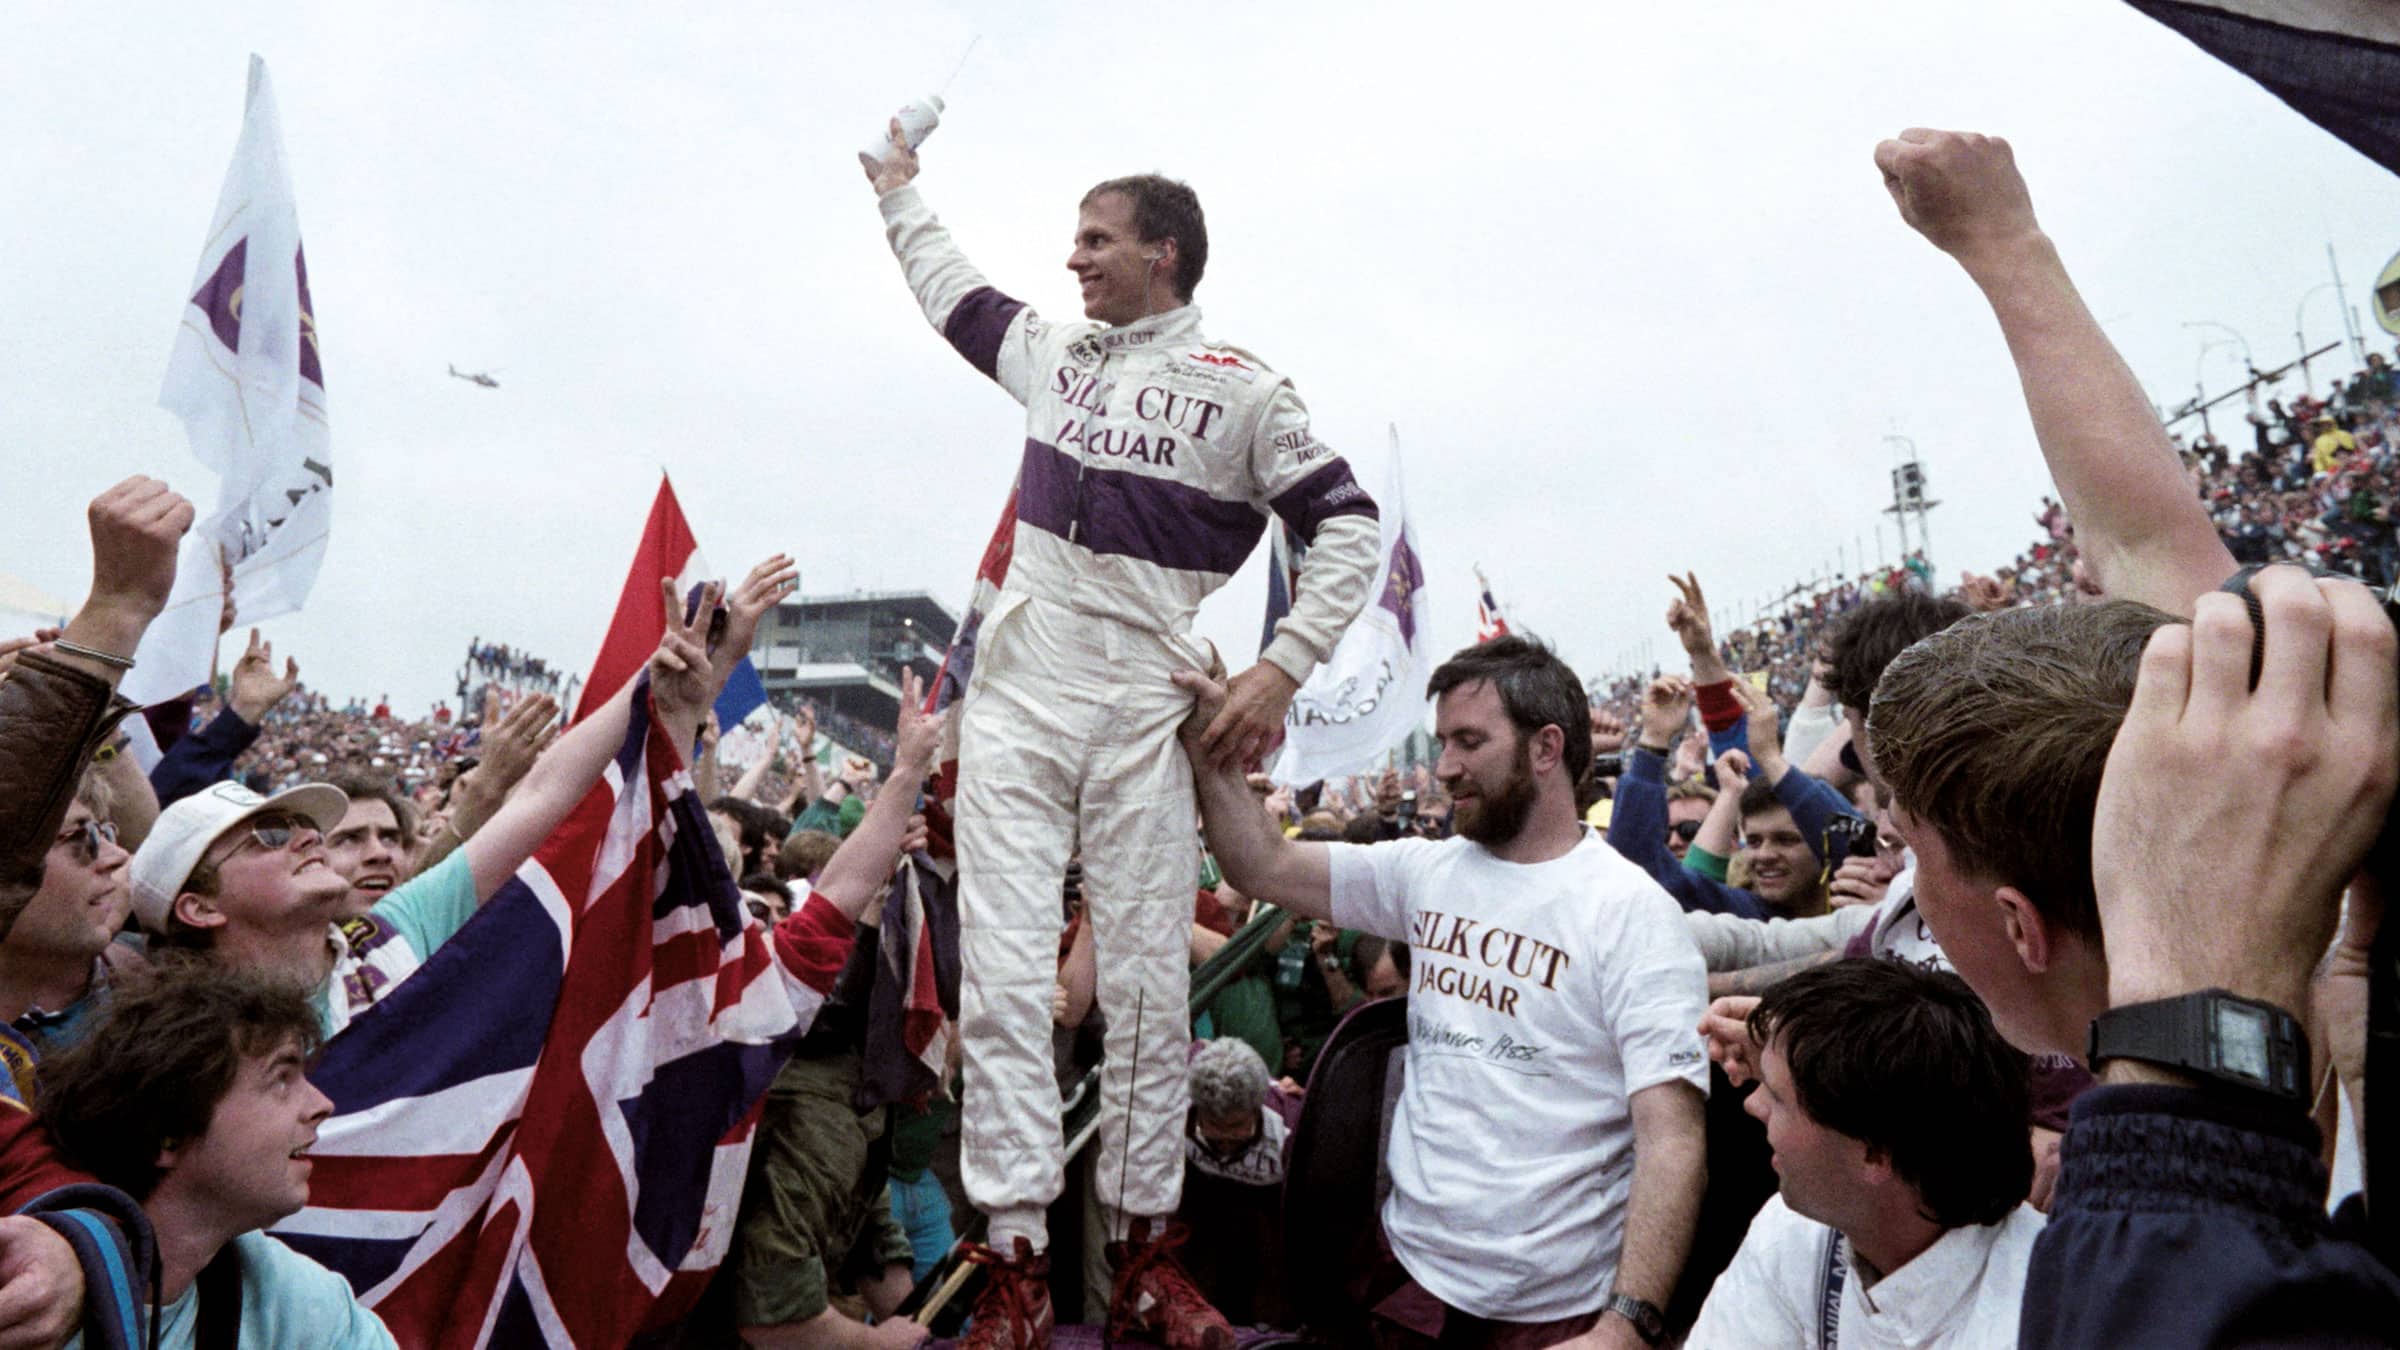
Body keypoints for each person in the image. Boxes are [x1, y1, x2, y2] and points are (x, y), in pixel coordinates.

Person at [862, 114, 1381, 1350]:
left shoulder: (1246, 387)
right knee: (1000, 979)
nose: (1074, 261)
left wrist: (1278, 670)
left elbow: (1348, 528)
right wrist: (895, 192)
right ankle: (1018, 1269)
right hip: (1025, 698)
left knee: (1149, 984)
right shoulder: (1055, 350)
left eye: (1096, 239)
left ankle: (1149, 1257)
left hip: (1148, 703)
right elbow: (952, 289)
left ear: (1165, 252)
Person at [1181, 636, 1708, 1349]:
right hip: (1410, 1280)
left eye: (1469, 742)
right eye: (1442, 742)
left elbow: (1672, 1137)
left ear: (1545, 748)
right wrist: (1211, 747)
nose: (1445, 767)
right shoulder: (1426, 872)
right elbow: (1261, 863)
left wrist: (1627, 1324)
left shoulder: (1632, 914)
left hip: (1554, 1310)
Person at [124, 563, 795, 1037]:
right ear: (198, 906)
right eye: (269, 837)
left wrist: (657, 684)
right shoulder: (188, 1047)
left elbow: (545, 789)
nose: (307, 838)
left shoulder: (389, 931)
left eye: (301, 825)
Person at [1687, 960, 2043, 1348]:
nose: (1753, 1105)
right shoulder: (1792, 1234)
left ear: (1875, 1154)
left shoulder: (2054, 1309)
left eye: (1777, 1096)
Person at [40, 963, 395, 1347]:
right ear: (169, 1132)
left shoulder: (285, 1291)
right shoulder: (32, 1298)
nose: (322, 1105)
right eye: (281, 1077)